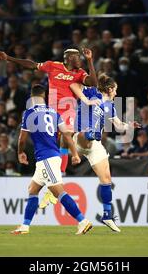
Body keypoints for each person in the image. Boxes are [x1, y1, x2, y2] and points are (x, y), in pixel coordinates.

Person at [0, 47, 98, 175]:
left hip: (68, 111)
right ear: (69, 59)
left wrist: (90, 61)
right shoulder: (52, 66)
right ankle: (49, 171)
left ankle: (61, 173)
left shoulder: (80, 73)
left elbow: (94, 83)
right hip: (52, 111)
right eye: (78, 57)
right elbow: (32, 65)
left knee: (65, 138)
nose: (80, 60)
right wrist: (9, 58)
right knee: (50, 142)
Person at [11, 84, 92, 235]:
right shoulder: (53, 112)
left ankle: (83, 221)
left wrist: (20, 153)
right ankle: (25, 226)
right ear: (44, 97)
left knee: (58, 192)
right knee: (33, 189)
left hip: (47, 158)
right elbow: (67, 135)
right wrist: (74, 153)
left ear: (31, 97)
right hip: (50, 157)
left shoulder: (29, 113)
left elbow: (22, 139)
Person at [65, 74, 140, 232]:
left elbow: (118, 126)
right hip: (78, 138)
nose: (116, 94)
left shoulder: (110, 106)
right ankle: (90, 134)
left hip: (94, 144)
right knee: (86, 133)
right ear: (110, 89)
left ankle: (107, 215)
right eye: (116, 90)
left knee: (106, 179)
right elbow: (74, 86)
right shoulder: (92, 92)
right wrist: (85, 99)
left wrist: (130, 125)